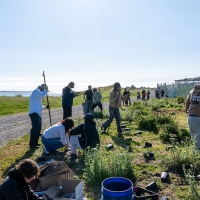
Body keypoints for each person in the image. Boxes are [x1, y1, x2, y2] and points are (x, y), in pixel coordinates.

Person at [29, 84, 49, 149]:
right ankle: (32, 144)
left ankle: (36, 142)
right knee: (35, 128)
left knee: (38, 128)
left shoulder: (38, 95)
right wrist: (46, 90)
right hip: (34, 113)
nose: (45, 92)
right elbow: (42, 94)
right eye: (44, 90)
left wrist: (45, 107)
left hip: (38, 113)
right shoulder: (36, 91)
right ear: (41, 88)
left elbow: (39, 105)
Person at [185, 85, 200, 149]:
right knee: (198, 136)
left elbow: (187, 103)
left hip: (190, 116)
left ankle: (194, 151)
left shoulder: (192, 91)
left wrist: (187, 111)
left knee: (193, 135)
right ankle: (197, 152)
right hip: (198, 116)